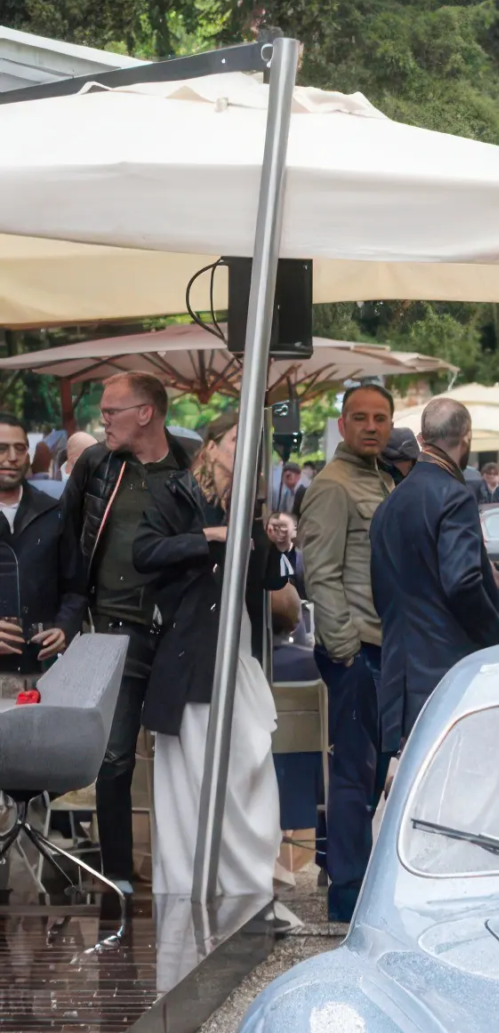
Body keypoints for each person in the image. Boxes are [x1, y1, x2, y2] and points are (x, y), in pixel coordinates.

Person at [134, 409, 290, 900]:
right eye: (239, 441)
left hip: (236, 650)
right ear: (212, 445)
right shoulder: (175, 494)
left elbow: (266, 582)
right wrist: (208, 538)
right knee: (193, 783)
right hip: (190, 657)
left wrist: (273, 543)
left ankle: (247, 889)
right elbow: (144, 553)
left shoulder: (246, 502)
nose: (248, 453)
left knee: (250, 770)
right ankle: (193, 891)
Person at [58, 372, 193, 893]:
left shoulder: (187, 467)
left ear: (146, 413)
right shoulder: (97, 464)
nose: (102, 421)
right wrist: (66, 618)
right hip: (112, 627)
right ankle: (117, 874)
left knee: (184, 753)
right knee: (114, 755)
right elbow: (68, 537)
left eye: (112, 411)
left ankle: (179, 870)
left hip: (176, 630)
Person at [298, 382, 395, 925]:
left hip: (379, 648)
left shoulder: (379, 477)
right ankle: (348, 900)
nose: (372, 426)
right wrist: (347, 652)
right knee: (355, 780)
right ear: (342, 425)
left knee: (371, 777)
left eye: (380, 417)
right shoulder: (333, 486)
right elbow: (321, 575)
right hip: (355, 650)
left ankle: (357, 889)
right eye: (360, 417)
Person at [369, 397, 499, 753]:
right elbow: (462, 584)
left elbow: (381, 590)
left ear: (422, 438)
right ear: (466, 437)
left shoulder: (389, 505)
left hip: (400, 674)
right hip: (449, 671)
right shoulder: (454, 496)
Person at [0, 411, 80, 696]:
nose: (11, 457)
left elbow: (75, 586)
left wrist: (65, 627)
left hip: (41, 672)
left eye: (20, 448)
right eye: (2, 448)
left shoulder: (53, 511)